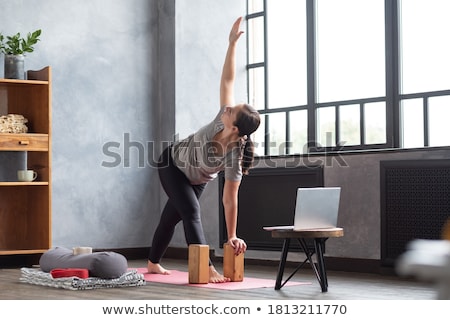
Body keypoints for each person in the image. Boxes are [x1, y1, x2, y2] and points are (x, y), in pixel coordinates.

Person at [147, 16, 261, 283]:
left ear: (235, 128)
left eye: (233, 111)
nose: (228, 108)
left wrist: (232, 235)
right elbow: (228, 81)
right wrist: (232, 44)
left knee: (170, 219)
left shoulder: (235, 155)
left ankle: (152, 263)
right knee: (190, 212)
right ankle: (207, 267)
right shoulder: (221, 118)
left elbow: (230, 198)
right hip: (172, 164)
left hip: (196, 179)